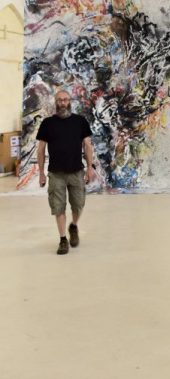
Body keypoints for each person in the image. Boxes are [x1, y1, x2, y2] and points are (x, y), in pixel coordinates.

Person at [37, 89, 95, 255]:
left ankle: (73, 226)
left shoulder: (80, 121)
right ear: (56, 102)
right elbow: (41, 150)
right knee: (58, 207)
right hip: (56, 174)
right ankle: (63, 239)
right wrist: (41, 172)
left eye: (66, 100)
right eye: (60, 100)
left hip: (77, 172)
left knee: (78, 205)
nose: (63, 103)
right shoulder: (47, 123)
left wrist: (89, 168)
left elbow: (88, 145)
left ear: (70, 101)